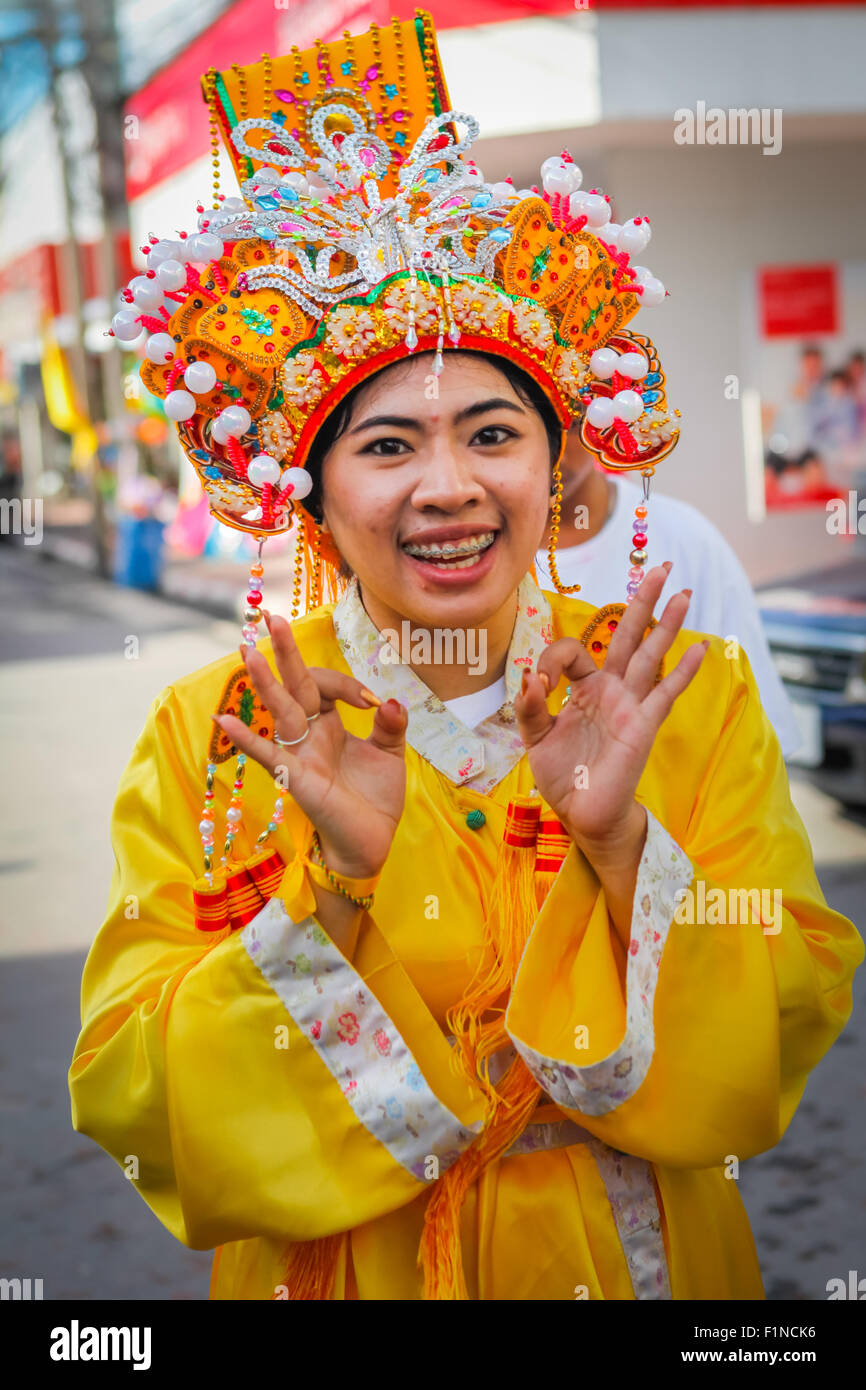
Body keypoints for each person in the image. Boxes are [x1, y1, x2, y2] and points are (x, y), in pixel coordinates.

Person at [69, 16, 861, 1302]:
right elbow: (130, 1085)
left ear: (556, 471)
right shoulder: (220, 728)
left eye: (491, 430)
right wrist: (329, 892)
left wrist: (620, 854)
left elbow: (792, 1004)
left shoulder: (681, 693)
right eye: (385, 447)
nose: (447, 486)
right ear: (311, 496)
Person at [535, 430, 802, 755]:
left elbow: (758, 737)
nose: (550, 444)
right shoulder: (468, 555)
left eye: (566, 418)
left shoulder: (686, 538)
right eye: (500, 432)